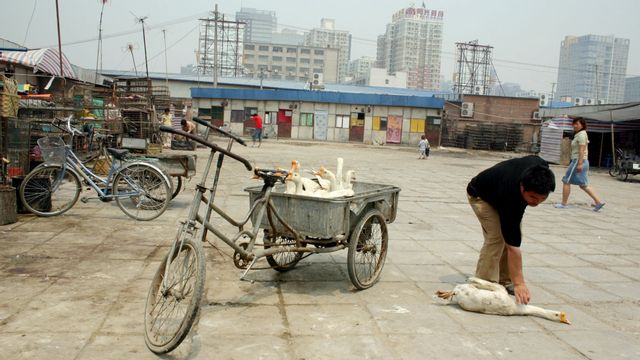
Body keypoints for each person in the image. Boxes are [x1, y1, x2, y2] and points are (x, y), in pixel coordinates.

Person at [467, 156, 556, 305]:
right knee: (497, 238)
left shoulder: (541, 170)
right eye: (533, 197)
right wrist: (520, 283)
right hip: (480, 195)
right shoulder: (511, 196)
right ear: (522, 187)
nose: (536, 202)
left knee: (512, 235)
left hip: (498, 193)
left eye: (542, 198)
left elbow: (513, 241)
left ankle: (505, 280)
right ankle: (483, 284)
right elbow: (513, 247)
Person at [554, 117, 605, 211]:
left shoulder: (581, 135)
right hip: (582, 161)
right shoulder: (580, 134)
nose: (575, 125)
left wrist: (580, 164)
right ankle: (598, 202)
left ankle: (563, 204)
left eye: (577, 124)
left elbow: (581, 150)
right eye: (574, 124)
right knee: (583, 185)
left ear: (582, 125)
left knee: (566, 181)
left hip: (578, 161)